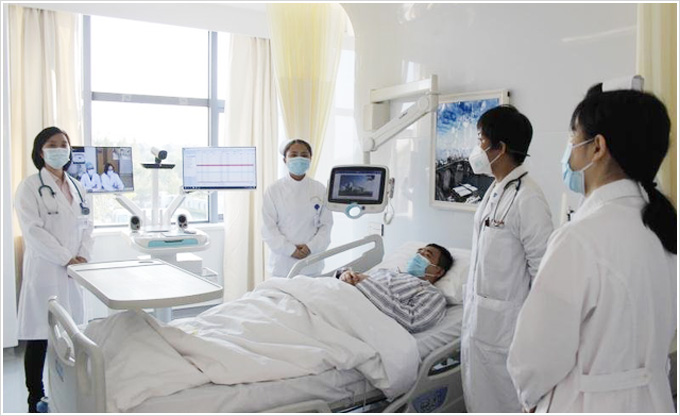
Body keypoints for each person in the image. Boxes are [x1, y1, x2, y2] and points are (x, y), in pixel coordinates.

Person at [507, 87, 677, 413]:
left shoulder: (580, 239)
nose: (569, 148)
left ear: (597, 147)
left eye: (573, 136)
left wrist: (528, 400)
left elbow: (534, 359)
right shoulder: (663, 231)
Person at [460, 105, 554, 412]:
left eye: (480, 140)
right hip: (481, 326)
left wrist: (537, 342)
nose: (477, 148)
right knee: (480, 399)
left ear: (499, 148)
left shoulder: (529, 198)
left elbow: (544, 275)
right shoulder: (496, 190)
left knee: (504, 403)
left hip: (506, 334)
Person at [14, 127, 94, 412]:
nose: (59, 149)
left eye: (64, 144)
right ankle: (35, 397)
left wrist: (82, 256)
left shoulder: (79, 187)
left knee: (73, 333)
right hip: (46, 270)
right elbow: (33, 231)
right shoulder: (29, 187)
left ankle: (70, 390)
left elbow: (88, 226)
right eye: (52, 144)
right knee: (39, 337)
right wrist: (65, 257)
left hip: (73, 272)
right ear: (41, 151)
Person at [338, 244, 454, 333]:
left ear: (438, 271)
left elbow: (412, 321)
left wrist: (365, 282)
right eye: (418, 252)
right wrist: (345, 274)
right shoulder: (387, 271)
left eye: (427, 255)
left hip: (351, 313)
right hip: (337, 294)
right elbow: (355, 277)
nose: (418, 256)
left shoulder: (431, 293)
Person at [262, 139, 333, 277]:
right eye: (293, 155)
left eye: (304, 155)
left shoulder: (319, 189)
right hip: (282, 264)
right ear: (285, 160)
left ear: (310, 159)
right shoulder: (274, 190)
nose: (299, 159)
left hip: (311, 262)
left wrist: (310, 247)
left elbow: (326, 225)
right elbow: (268, 228)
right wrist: (290, 250)